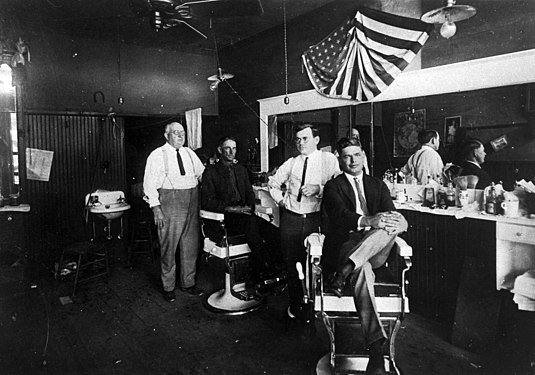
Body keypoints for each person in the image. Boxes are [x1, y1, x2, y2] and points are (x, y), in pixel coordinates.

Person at [322, 137, 408, 375]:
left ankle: (344, 270)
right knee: (363, 271)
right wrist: (369, 220)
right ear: (340, 159)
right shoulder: (334, 186)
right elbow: (340, 216)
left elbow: (393, 214)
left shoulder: (377, 184)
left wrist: (386, 222)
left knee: (398, 221)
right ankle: (376, 351)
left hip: (378, 248)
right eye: (347, 156)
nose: (353, 160)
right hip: (349, 242)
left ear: (364, 157)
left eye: (357, 155)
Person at [268, 123, 340, 320]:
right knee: (292, 264)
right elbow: (272, 183)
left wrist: (319, 188)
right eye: (298, 139)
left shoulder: (328, 160)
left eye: (305, 138)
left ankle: (316, 307)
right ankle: (296, 305)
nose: (300, 142)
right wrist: (281, 200)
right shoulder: (291, 162)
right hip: (291, 219)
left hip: (315, 220)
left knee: (316, 264)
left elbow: (340, 187)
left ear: (316, 140)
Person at [143, 122, 205, 302]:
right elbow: (149, 185)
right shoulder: (157, 155)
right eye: (176, 133)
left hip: (192, 201)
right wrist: (156, 209)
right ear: (166, 135)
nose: (180, 136)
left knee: (191, 245)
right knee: (169, 246)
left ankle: (188, 283)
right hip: (170, 203)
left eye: (183, 133)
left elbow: (202, 174)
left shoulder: (189, 153)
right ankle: (168, 286)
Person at [201, 136, 274, 287]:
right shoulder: (211, 171)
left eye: (234, 148)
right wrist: (231, 208)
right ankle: (263, 270)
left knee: (272, 231)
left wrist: (250, 206)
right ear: (220, 150)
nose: (231, 151)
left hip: (244, 215)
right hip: (224, 217)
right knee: (252, 224)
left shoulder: (241, 170)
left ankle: (273, 269)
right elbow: (207, 201)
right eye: (227, 148)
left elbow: (249, 193)